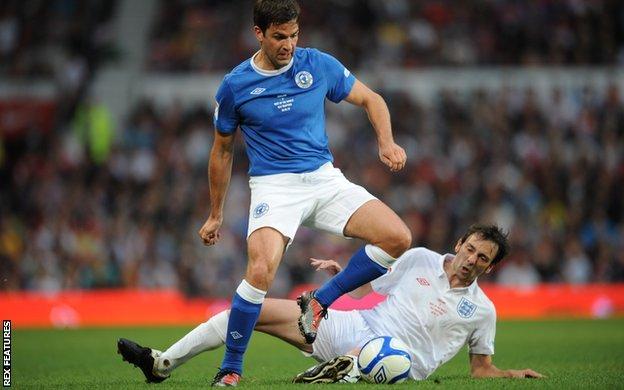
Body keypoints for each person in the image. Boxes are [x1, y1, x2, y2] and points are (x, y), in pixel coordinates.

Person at [195, 0, 411, 385]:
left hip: (324, 180)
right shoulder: (235, 85)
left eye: (294, 35)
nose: (289, 45)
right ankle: (231, 368)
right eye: (279, 36)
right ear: (258, 33)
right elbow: (222, 150)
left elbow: (371, 99)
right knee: (260, 271)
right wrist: (216, 213)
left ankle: (320, 301)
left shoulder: (317, 64)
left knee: (398, 237)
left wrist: (386, 143)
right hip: (274, 186)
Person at [117, 224, 543, 385]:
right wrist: (342, 273)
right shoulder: (419, 259)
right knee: (245, 312)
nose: (471, 260)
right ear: (459, 243)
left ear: (490, 267)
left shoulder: (483, 310)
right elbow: (366, 291)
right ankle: (162, 364)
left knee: (382, 357)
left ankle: (344, 370)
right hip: (356, 325)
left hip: (400, 363)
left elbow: (480, 369)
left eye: (481, 258)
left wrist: (512, 373)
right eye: (470, 248)